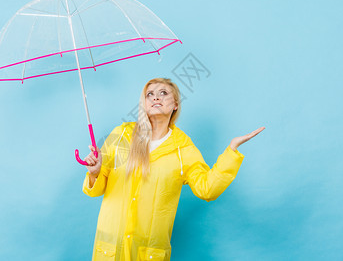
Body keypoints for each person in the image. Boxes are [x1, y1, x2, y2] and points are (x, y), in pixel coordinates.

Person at [82, 77, 264, 261]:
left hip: (148, 252)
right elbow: (95, 189)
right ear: (144, 103)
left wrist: (231, 151)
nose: (156, 98)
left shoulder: (182, 148)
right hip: (112, 247)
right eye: (150, 94)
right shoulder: (121, 135)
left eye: (163, 93)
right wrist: (95, 172)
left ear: (175, 104)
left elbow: (207, 189)